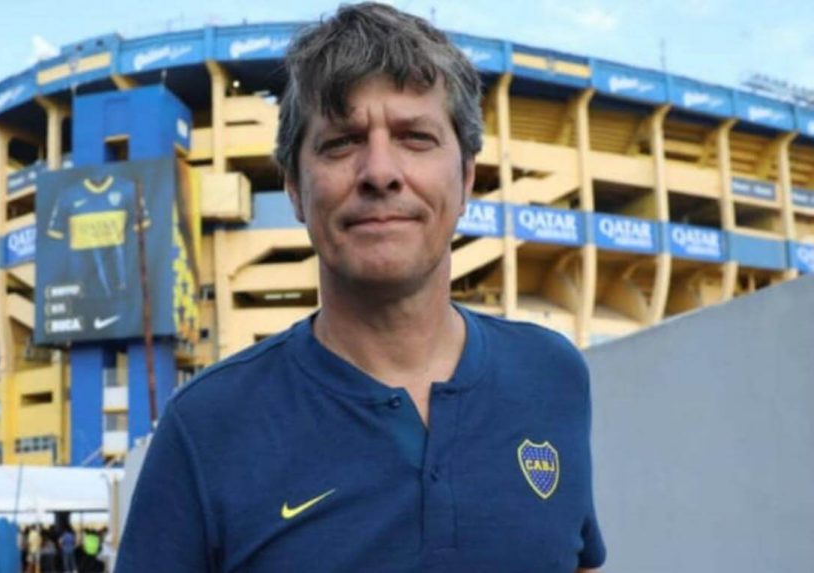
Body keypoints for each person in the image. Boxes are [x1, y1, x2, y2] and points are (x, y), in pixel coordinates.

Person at [116, 3, 605, 571]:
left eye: (415, 137)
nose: (380, 172)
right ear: (295, 189)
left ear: (467, 177)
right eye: (341, 142)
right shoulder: (206, 428)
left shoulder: (552, 377)